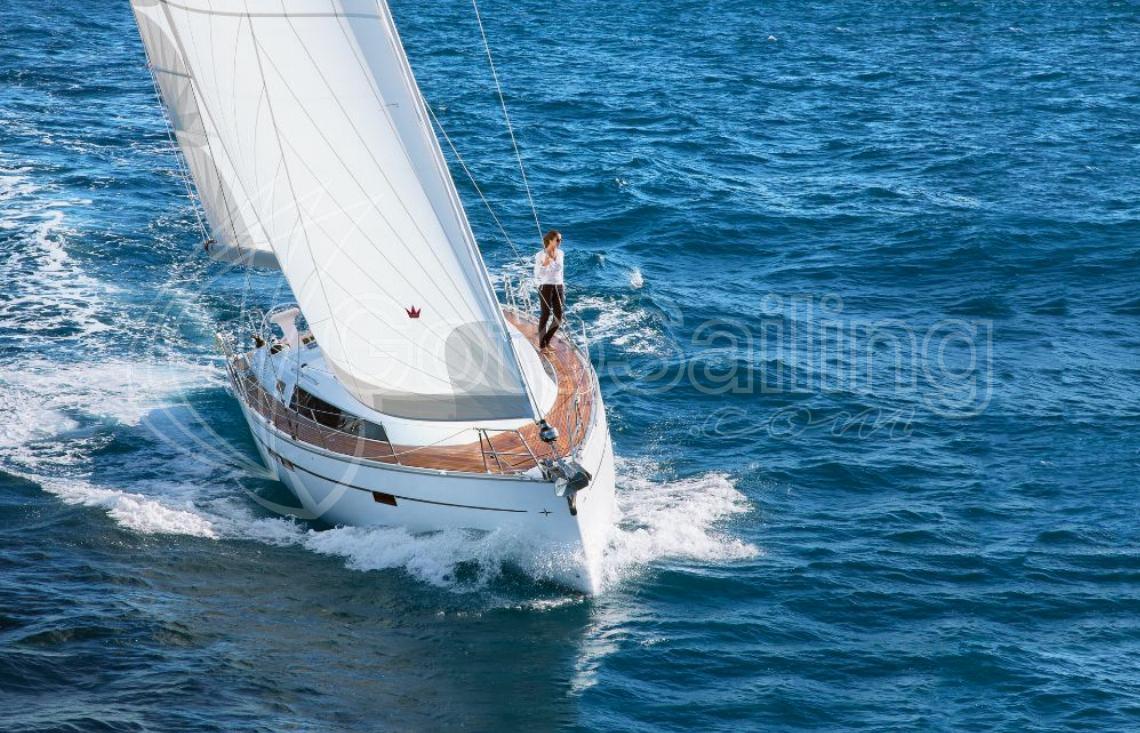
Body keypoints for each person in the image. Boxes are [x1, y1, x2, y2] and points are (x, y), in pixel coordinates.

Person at [534, 229, 564, 350]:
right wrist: (545, 264)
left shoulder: (561, 253)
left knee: (558, 317)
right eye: (558, 240)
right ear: (550, 240)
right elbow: (537, 274)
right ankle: (542, 345)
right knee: (545, 315)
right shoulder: (540, 255)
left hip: (559, 286)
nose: (560, 242)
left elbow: (560, 269)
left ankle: (547, 340)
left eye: (561, 240)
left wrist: (551, 262)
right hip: (546, 286)